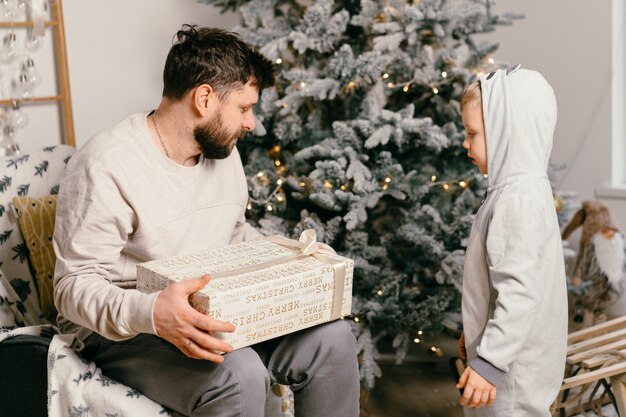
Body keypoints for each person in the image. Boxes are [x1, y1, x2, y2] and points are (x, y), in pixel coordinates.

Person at [53, 25, 359, 417]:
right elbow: (72, 286)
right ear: (204, 99)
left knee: (332, 341)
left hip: (217, 309)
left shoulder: (222, 151)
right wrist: (152, 314)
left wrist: (293, 257)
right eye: (244, 108)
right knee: (240, 372)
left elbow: (233, 234)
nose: (251, 123)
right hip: (125, 333)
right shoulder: (105, 165)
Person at [455, 66, 568, 416]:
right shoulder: (527, 190)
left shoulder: (515, 201)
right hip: (514, 357)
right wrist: (476, 334)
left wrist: (489, 360)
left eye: (472, 133)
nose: (464, 143)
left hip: (511, 371)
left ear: (507, 133)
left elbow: (519, 293)